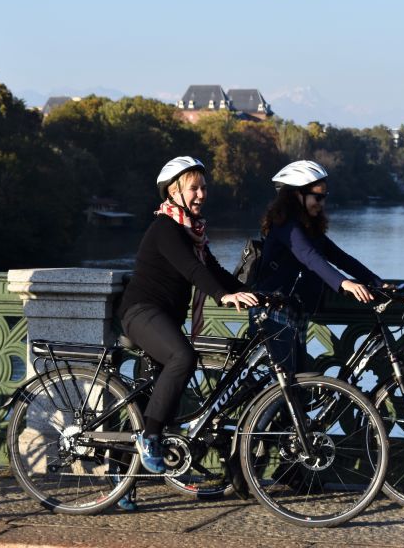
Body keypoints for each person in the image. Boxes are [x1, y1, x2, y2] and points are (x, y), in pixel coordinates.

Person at [118, 156, 258, 480]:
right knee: (183, 357)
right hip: (141, 312)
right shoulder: (166, 229)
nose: (201, 194)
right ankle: (150, 437)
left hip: (163, 317)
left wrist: (253, 293)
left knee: (146, 395)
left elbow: (214, 270)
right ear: (173, 191)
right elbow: (193, 271)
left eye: (204, 188)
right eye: (193, 188)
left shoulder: (191, 233)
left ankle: (120, 473)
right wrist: (223, 296)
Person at [250, 160, 384, 375]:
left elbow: (339, 256)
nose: (321, 203)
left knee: (298, 381)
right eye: (317, 197)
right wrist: (344, 283)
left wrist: (376, 281)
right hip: (272, 308)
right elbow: (309, 257)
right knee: (285, 383)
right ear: (296, 195)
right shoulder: (286, 225)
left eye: (324, 197)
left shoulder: (308, 227)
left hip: (294, 308)